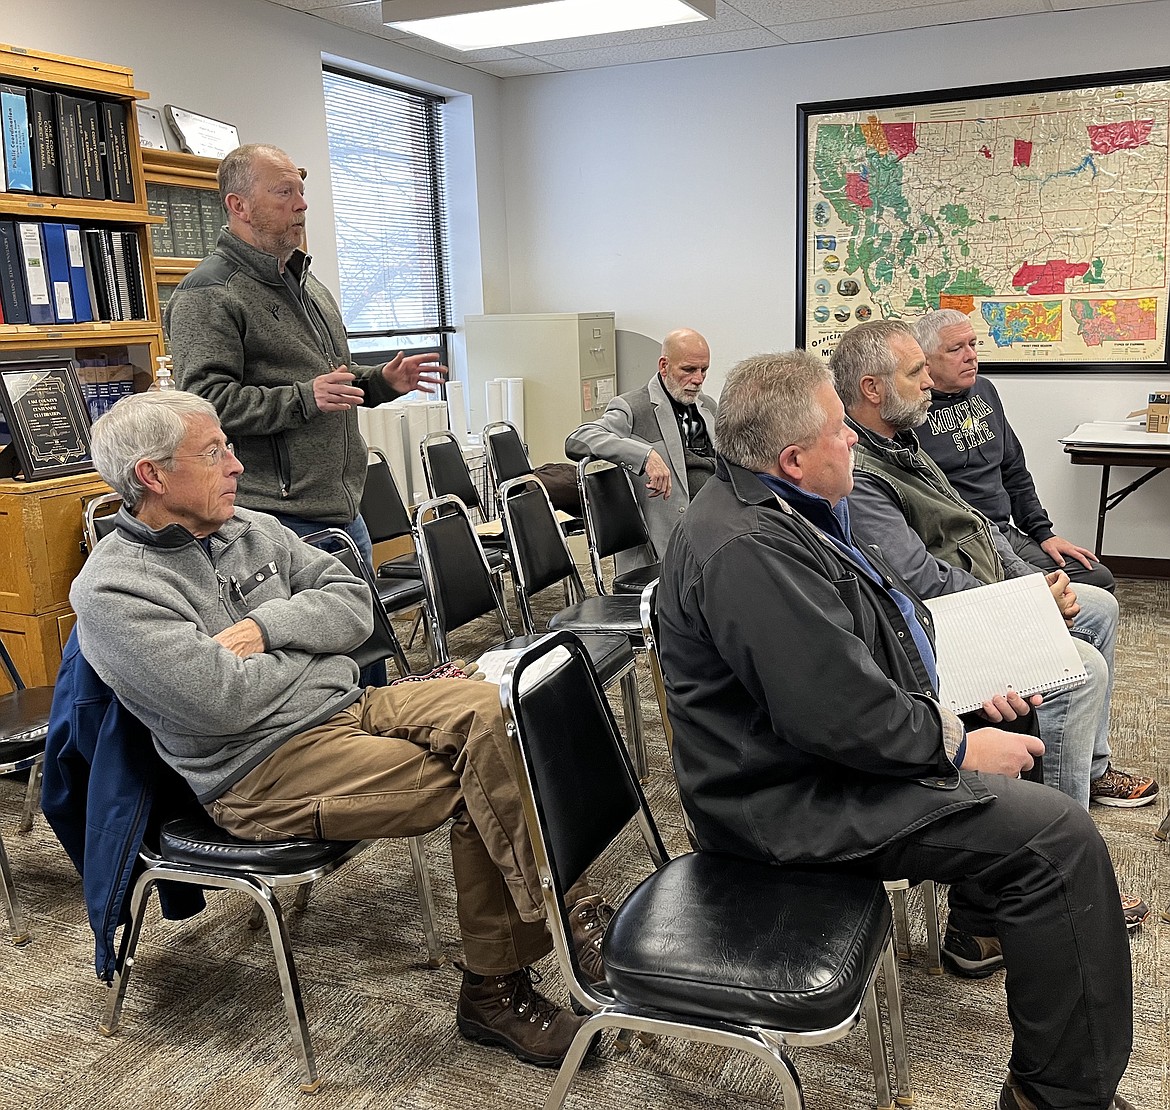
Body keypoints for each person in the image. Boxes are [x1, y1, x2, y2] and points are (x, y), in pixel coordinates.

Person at [68, 390, 608, 1070]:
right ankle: (500, 987)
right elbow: (221, 703)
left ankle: (562, 911)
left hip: (347, 708)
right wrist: (319, 654)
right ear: (151, 475)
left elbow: (355, 607)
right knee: (488, 774)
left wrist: (270, 630)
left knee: (495, 713)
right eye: (214, 453)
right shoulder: (113, 591)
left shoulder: (250, 528)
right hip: (260, 770)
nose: (236, 466)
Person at [657, 350, 1135, 1110]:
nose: (852, 439)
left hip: (817, 758)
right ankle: (1060, 1100)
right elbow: (837, 715)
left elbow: (864, 638)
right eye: (839, 429)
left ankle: (981, 926)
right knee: (1057, 845)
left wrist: (963, 689)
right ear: (792, 458)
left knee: (1025, 708)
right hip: (784, 802)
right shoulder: (746, 550)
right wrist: (956, 742)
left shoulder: (785, 506)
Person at [832, 320, 1158, 815]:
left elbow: (979, 525)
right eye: (916, 371)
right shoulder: (861, 473)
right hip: (945, 625)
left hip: (985, 589)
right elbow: (920, 583)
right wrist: (1026, 605)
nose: (927, 384)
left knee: (1099, 606)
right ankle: (1061, 831)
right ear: (872, 389)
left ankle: (1088, 771)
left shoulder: (902, 442)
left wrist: (1034, 583)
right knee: (1083, 670)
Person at [165, 143, 445, 561]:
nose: (302, 204)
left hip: (344, 509)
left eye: (300, 191)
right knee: (304, 629)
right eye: (285, 193)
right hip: (275, 520)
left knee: (361, 625)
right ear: (238, 204)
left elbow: (331, 379)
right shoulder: (208, 294)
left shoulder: (308, 285)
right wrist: (303, 398)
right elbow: (204, 407)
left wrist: (380, 383)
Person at [912, 308, 1115, 591]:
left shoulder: (985, 390)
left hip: (1005, 532)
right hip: (963, 545)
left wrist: (1043, 533)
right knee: (1055, 592)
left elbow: (1014, 470)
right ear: (926, 362)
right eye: (956, 349)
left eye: (973, 344)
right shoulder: (912, 412)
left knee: (1097, 578)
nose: (970, 355)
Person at [565, 327, 718, 571]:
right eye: (689, 370)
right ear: (664, 366)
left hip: (713, 532)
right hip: (664, 547)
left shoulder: (707, 407)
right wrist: (644, 456)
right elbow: (578, 439)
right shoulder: (634, 407)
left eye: (704, 370)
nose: (698, 379)